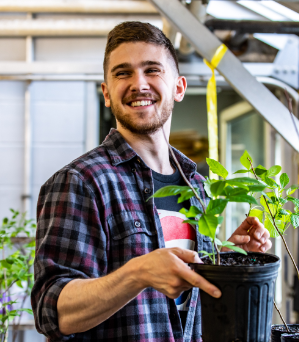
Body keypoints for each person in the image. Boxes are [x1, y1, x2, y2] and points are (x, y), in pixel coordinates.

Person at [31, 21, 272, 342]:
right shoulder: (81, 182)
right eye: (122, 73)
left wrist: (228, 256)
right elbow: (52, 311)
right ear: (106, 93)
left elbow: (188, 300)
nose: (138, 83)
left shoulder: (196, 184)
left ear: (179, 87)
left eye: (152, 70)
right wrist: (137, 273)